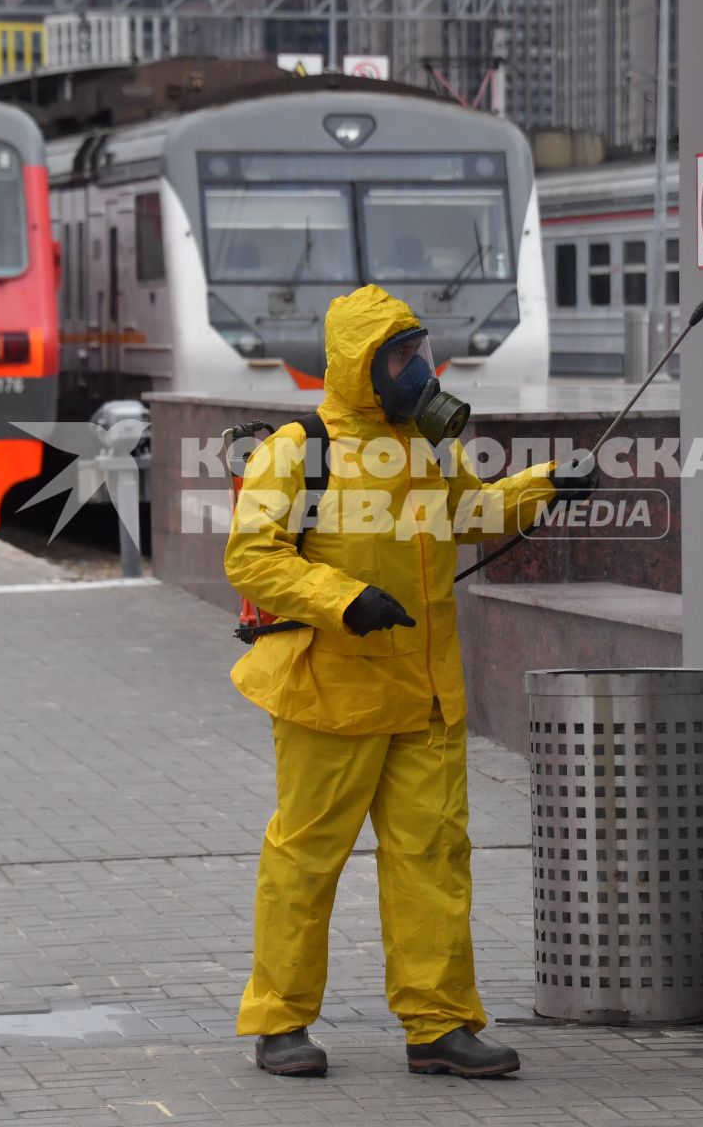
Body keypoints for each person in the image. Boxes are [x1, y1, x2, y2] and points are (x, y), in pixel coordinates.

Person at [224, 284, 597, 1078]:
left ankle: (439, 1025)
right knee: (306, 859)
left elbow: (471, 513)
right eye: (398, 356)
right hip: (331, 691)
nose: (417, 369)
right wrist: (345, 599)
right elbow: (252, 557)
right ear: (360, 366)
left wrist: (547, 485)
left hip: (425, 696)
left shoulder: (426, 443)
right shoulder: (299, 446)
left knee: (433, 856)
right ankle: (281, 1022)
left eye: (418, 351)